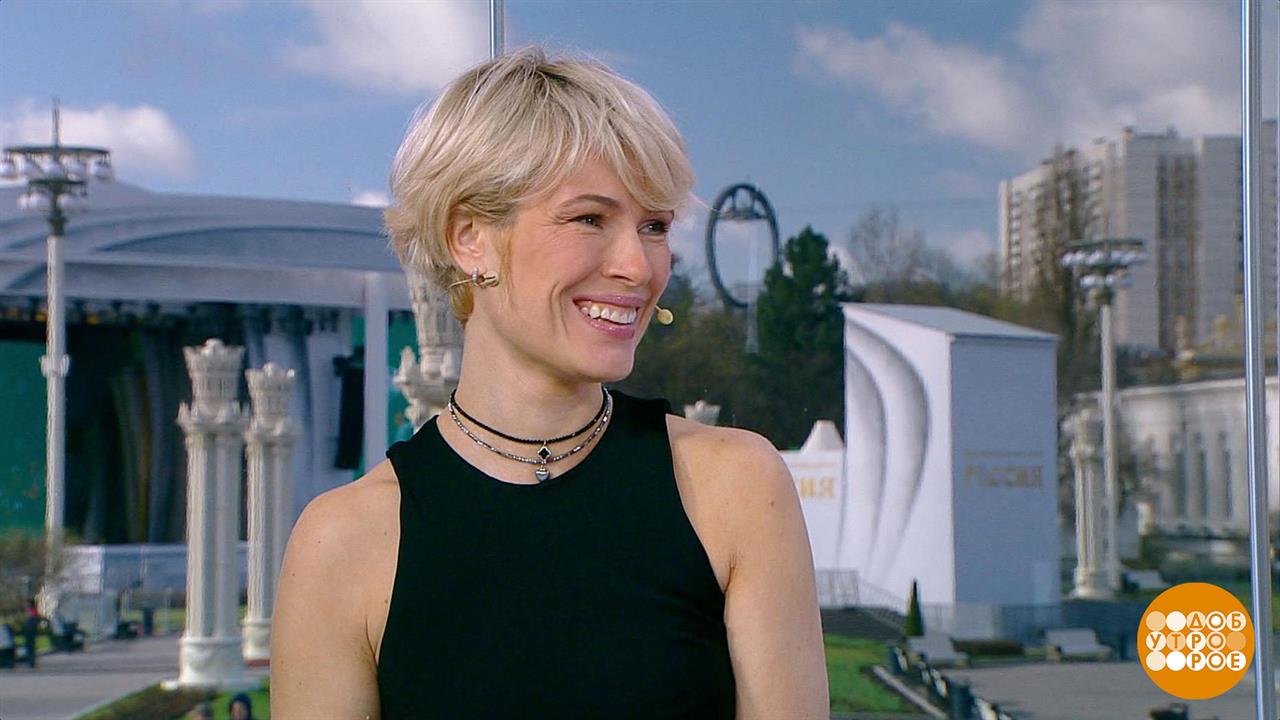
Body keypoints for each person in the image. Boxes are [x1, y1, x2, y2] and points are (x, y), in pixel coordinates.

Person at [271, 47, 828, 719]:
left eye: (654, 226)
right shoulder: (342, 542)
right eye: (590, 218)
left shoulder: (735, 488)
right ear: (470, 238)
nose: (639, 266)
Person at [20, 597, 41, 668]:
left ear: (30, 604)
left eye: (27, 604)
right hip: (31, 631)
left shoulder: (32, 612)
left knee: (30, 646)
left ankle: (31, 661)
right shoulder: (34, 611)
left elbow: (30, 623)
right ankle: (31, 661)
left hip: (29, 632)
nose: (26, 605)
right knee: (31, 645)